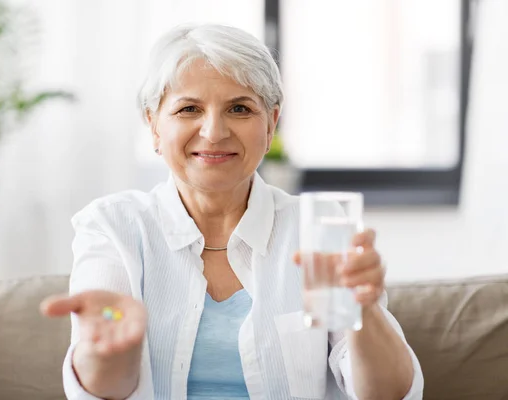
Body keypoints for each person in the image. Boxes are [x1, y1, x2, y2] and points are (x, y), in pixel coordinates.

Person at [40, 24, 424, 400]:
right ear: (154, 125)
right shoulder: (113, 226)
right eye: (189, 109)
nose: (213, 132)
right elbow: (103, 391)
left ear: (271, 123)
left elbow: (387, 395)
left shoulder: (319, 228)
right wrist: (112, 349)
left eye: (239, 108)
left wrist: (365, 310)